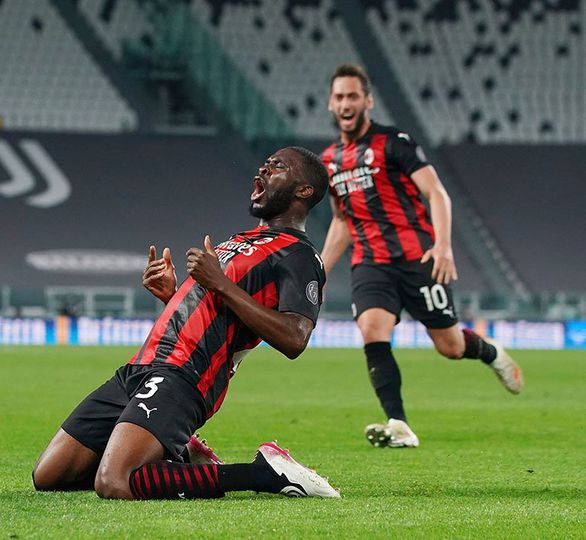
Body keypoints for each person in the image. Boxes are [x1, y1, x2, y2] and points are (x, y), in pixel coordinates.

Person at [32, 147, 341, 499]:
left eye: (278, 166)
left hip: (186, 376)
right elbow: (216, 312)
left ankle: (262, 473)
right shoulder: (242, 241)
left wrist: (220, 283)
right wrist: (172, 294)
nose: (265, 168)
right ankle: (180, 458)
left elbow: (295, 338)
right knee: (50, 475)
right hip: (141, 366)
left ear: (304, 191)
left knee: (115, 482)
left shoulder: (299, 256)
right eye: (266, 163)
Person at [318, 64, 524, 448]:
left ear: (367, 100)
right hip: (370, 263)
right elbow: (342, 221)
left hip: (416, 259)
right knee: (371, 329)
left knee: (450, 347)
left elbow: (437, 194)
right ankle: (399, 424)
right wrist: (320, 270)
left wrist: (442, 245)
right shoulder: (329, 160)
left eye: (352, 96)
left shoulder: (394, 142)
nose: (345, 103)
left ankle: (490, 352)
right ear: (331, 103)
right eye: (339, 96)